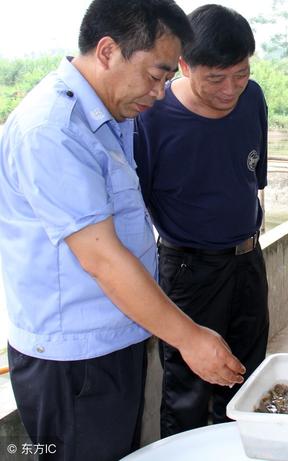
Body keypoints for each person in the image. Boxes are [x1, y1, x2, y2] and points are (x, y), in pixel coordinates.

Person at [0, 1, 247, 460]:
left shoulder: (111, 117)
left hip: (116, 338)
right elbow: (104, 260)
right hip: (74, 361)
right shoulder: (53, 131)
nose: (159, 94)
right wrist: (190, 337)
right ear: (109, 50)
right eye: (155, 76)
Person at [134, 4, 269, 437]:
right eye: (216, 78)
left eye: (241, 73)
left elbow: (253, 177)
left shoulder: (254, 99)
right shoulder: (152, 118)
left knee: (248, 377)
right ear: (184, 64)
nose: (231, 89)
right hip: (189, 270)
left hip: (248, 259)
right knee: (188, 390)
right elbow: (137, 203)